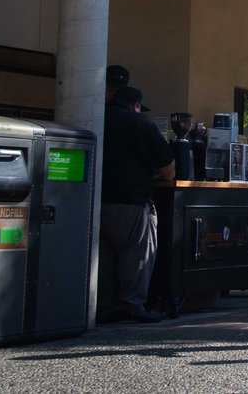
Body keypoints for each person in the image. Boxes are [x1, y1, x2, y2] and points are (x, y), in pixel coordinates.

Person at [98, 85, 173, 324]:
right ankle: (131, 306)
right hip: (132, 199)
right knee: (137, 253)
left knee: (103, 257)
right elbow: (168, 169)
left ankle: (102, 306)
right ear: (136, 105)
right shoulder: (142, 123)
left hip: (96, 199)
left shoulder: (95, 117)